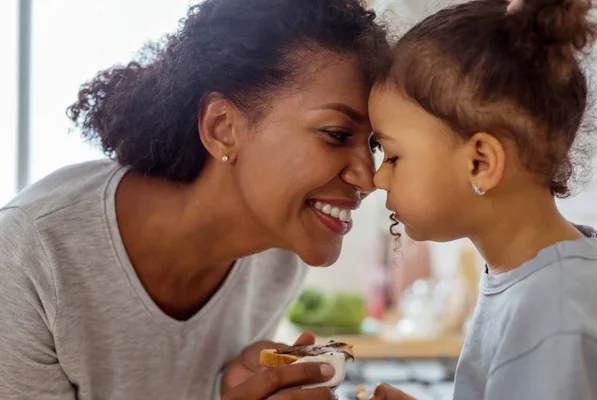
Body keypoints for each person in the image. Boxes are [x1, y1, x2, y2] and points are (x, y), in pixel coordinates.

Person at [0, 0, 390, 399]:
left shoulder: (279, 253)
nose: (369, 177)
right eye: (337, 134)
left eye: (375, 144)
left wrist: (226, 388)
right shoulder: (30, 256)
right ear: (222, 127)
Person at [368, 0, 597, 399]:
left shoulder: (553, 315)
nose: (377, 178)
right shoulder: (538, 283)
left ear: (480, 162)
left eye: (392, 156)